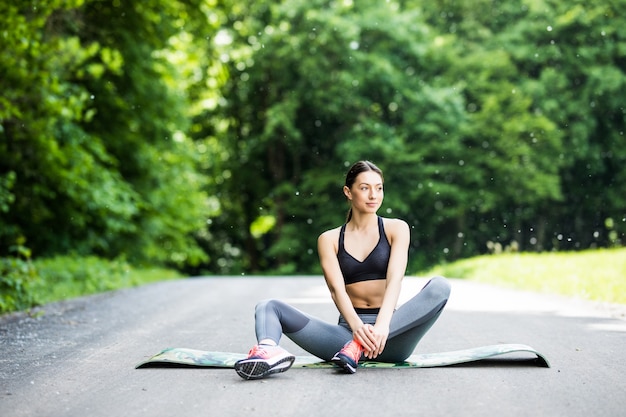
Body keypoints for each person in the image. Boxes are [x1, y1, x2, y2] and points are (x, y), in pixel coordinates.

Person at [234, 160, 451, 380]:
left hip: (391, 336)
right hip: (343, 339)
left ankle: (359, 348)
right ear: (348, 191)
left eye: (379, 188)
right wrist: (357, 329)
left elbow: (395, 280)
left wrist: (381, 327)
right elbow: (336, 290)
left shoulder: (397, 228)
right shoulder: (329, 239)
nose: (373, 195)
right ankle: (268, 350)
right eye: (364, 188)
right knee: (268, 307)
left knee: (441, 287)